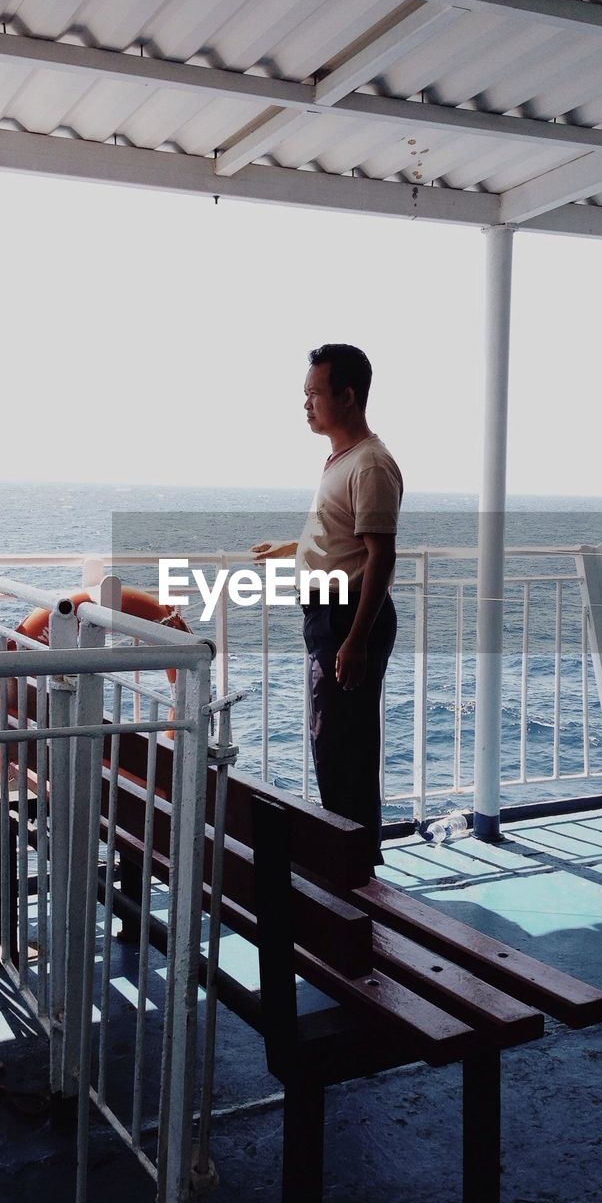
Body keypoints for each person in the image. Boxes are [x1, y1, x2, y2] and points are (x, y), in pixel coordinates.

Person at [254, 344, 402, 867]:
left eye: (315, 393)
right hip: (328, 615)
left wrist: (356, 640)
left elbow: (380, 556)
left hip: (348, 615)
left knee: (344, 748)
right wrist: (292, 548)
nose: (307, 404)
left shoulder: (372, 465)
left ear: (348, 395)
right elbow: (343, 534)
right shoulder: (340, 460)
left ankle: (355, 869)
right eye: (305, 394)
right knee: (333, 743)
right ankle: (350, 862)